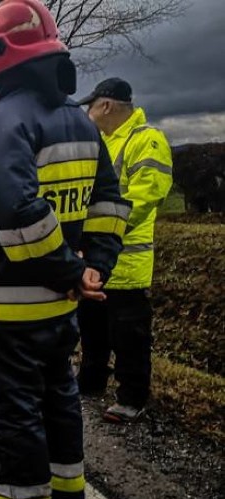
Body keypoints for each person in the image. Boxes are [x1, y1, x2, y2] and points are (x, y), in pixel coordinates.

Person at [0, 0, 130, 499]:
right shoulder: (79, 119)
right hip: (58, 307)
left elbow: (18, 215)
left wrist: (74, 270)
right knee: (57, 399)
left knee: (9, 414)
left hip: (10, 306)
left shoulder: (4, 122)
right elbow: (108, 201)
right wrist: (94, 265)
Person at [77, 78, 174, 423]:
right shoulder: (101, 142)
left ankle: (132, 397)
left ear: (105, 105)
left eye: (89, 106)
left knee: (129, 334)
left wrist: (103, 234)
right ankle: (90, 381)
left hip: (127, 262)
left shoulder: (146, 140)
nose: (86, 114)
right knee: (91, 326)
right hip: (95, 259)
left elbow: (146, 197)